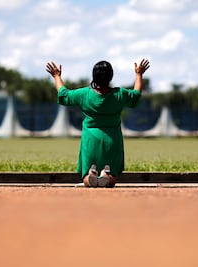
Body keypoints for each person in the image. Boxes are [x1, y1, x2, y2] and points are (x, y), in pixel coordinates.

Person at [46, 58, 150, 187]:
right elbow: (135, 96)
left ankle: (91, 175)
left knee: (86, 179)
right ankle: (106, 175)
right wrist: (139, 74)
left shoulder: (84, 94)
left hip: (91, 140)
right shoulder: (120, 94)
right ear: (110, 76)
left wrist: (56, 76)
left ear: (94, 76)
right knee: (112, 177)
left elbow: (64, 95)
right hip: (112, 140)